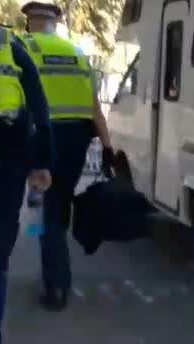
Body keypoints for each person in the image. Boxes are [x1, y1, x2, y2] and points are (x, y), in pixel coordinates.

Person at [20, 1, 114, 311]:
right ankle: (55, 270)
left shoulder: (23, 47)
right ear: (56, 23)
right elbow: (95, 110)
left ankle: (56, 284)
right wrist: (109, 147)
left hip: (41, 140)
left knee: (44, 211)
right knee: (56, 205)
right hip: (76, 142)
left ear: (30, 21)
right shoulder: (78, 54)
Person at [0, 0, 53, 344]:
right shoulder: (8, 45)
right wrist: (41, 163)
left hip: (1, 167)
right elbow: (39, 110)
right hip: (3, 169)